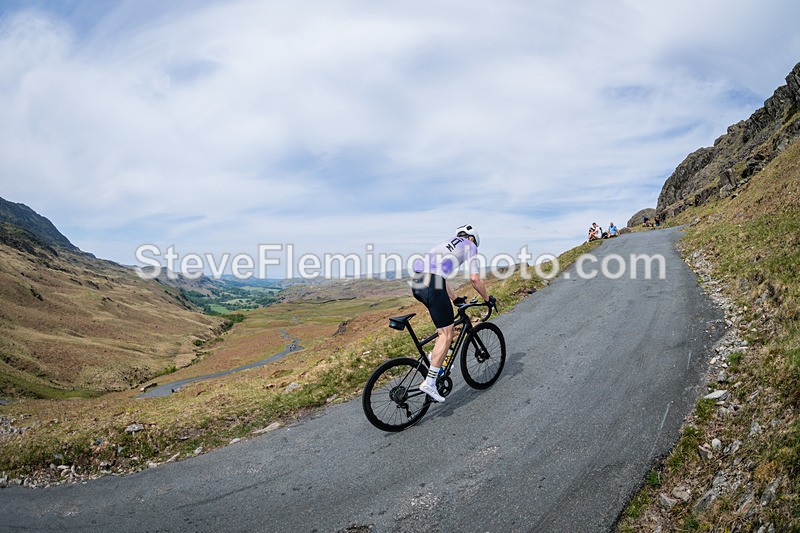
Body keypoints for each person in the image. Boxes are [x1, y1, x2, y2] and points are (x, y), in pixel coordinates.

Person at [411, 224, 494, 402]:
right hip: (432, 284)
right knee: (447, 335)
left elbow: (439, 277)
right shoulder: (470, 245)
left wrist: (455, 299)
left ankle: (436, 358)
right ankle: (430, 383)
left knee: (444, 329)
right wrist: (487, 299)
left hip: (418, 282)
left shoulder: (446, 243)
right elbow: (475, 279)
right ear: (472, 239)